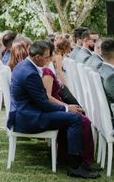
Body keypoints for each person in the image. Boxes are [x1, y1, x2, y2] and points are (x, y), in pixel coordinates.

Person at [9, 40, 96, 178]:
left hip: (28, 112)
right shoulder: (30, 73)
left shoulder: (24, 66)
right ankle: (75, 166)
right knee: (75, 118)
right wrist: (67, 109)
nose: (49, 59)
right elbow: (44, 103)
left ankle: (67, 159)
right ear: (37, 57)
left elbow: (42, 101)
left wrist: (65, 108)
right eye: (47, 57)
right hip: (29, 119)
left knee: (71, 117)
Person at [40, 40, 95, 169]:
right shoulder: (47, 71)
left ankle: (75, 157)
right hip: (53, 107)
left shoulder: (49, 68)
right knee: (84, 121)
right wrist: (66, 107)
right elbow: (48, 97)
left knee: (83, 117)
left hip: (58, 104)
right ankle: (83, 160)